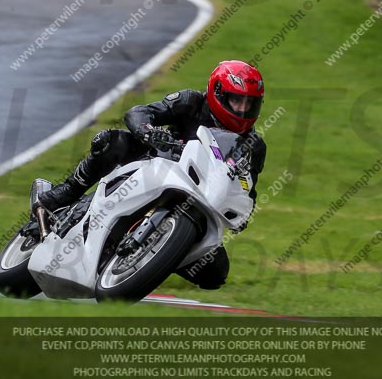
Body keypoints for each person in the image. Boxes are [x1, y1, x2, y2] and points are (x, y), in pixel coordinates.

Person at [40, 60, 267, 290]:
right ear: (217, 93)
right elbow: (139, 113)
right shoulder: (191, 101)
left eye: (250, 103)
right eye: (236, 100)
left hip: (199, 197)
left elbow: (248, 187)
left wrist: (243, 211)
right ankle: (67, 192)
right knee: (110, 142)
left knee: (215, 274)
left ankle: (164, 251)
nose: (242, 109)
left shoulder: (253, 145)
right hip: (154, 162)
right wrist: (148, 131)